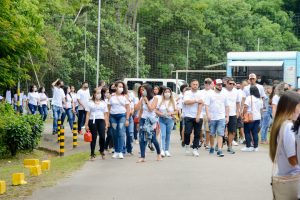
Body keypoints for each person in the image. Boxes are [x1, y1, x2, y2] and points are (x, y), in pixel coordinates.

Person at [269, 91, 300, 199]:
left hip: (287, 175)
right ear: (292, 107)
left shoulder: (283, 124)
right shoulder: (288, 127)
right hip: (293, 178)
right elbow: (292, 159)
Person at [137, 84, 162, 163]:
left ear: (148, 90)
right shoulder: (141, 98)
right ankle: (142, 156)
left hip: (150, 121)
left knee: (153, 138)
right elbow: (139, 109)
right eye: (141, 90)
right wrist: (138, 120)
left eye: (143, 90)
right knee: (141, 138)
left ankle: (158, 153)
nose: (142, 91)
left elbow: (151, 109)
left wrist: (146, 100)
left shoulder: (155, 98)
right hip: (143, 119)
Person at [205, 79, 229, 157]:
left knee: (220, 133)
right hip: (212, 117)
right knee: (212, 133)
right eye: (218, 84)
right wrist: (208, 114)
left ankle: (219, 149)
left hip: (221, 117)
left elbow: (227, 106)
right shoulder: (209, 94)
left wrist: (227, 116)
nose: (220, 86)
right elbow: (207, 105)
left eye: (221, 84)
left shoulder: (224, 94)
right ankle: (212, 146)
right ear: (214, 85)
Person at [85, 88, 109, 160]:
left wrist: (106, 124)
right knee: (94, 137)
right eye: (97, 93)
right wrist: (86, 124)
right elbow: (88, 114)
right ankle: (92, 154)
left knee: (102, 136)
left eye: (99, 93)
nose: (98, 94)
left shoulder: (103, 103)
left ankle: (102, 150)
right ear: (94, 94)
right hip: (93, 121)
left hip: (101, 120)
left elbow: (105, 114)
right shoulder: (90, 103)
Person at [108, 81, 130, 159]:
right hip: (113, 117)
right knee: (114, 133)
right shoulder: (111, 96)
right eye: (119, 86)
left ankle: (120, 151)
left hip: (122, 117)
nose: (121, 88)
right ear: (116, 87)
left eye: (122, 87)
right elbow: (108, 109)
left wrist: (127, 119)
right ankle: (116, 151)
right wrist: (107, 120)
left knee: (121, 132)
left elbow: (128, 108)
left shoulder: (125, 96)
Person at [183, 79, 204, 157]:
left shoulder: (201, 93)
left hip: (198, 116)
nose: (195, 86)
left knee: (197, 133)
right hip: (188, 115)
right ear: (190, 85)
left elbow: (201, 103)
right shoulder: (187, 93)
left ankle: (195, 149)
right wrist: (195, 101)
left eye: (196, 84)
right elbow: (186, 102)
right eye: (194, 84)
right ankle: (187, 144)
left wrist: (198, 115)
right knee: (187, 132)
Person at [156, 87, 178, 157]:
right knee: (163, 135)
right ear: (163, 93)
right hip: (162, 119)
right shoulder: (160, 100)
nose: (167, 93)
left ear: (171, 93)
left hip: (170, 120)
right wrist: (161, 114)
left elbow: (176, 111)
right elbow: (156, 110)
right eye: (166, 92)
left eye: (168, 92)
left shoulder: (173, 100)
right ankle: (162, 150)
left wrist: (170, 113)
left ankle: (167, 150)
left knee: (168, 135)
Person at [241, 86, 263, 152]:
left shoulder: (249, 98)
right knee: (255, 132)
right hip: (257, 117)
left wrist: (243, 114)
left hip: (249, 117)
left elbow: (245, 107)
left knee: (247, 131)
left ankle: (248, 146)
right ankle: (256, 147)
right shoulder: (260, 99)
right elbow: (261, 109)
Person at [224, 78, 241, 154]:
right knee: (222, 131)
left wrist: (238, 112)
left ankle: (229, 146)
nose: (231, 85)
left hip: (233, 114)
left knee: (233, 131)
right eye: (230, 84)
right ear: (226, 84)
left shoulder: (236, 92)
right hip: (222, 114)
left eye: (233, 84)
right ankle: (219, 144)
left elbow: (238, 102)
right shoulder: (223, 91)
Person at [200, 78, 213, 150]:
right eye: (206, 82)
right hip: (201, 112)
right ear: (204, 83)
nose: (207, 84)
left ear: (211, 83)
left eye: (209, 82)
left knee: (208, 130)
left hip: (209, 113)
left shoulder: (213, 92)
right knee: (200, 129)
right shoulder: (200, 92)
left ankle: (207, 143)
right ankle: (201, 139)